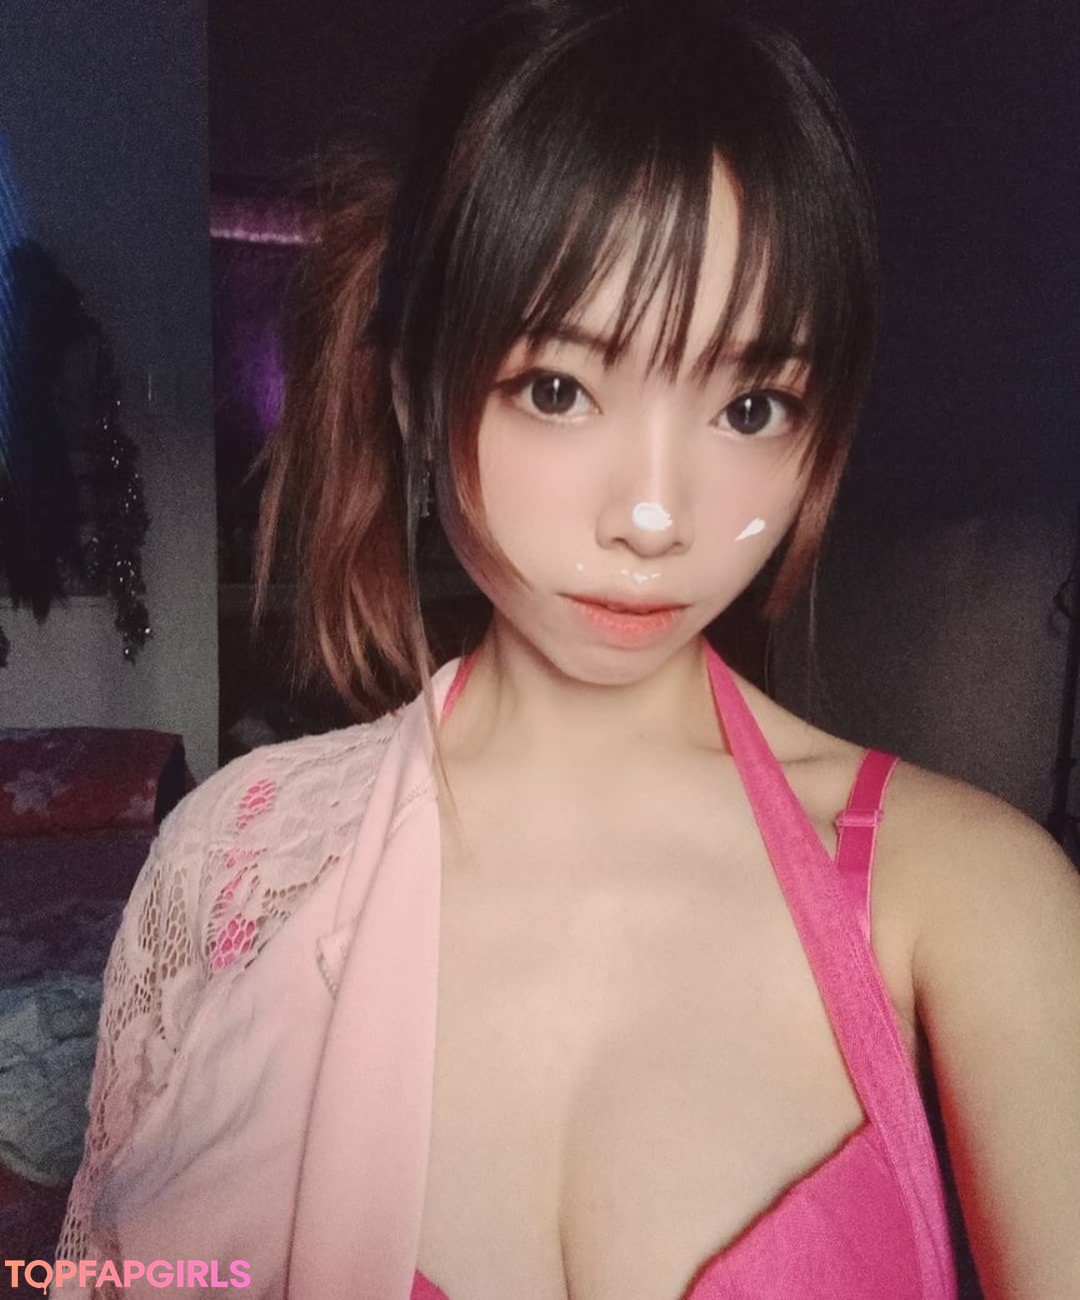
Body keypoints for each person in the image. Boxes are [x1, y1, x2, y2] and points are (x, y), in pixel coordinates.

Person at [56, 1, 1080, 1297]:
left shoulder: (975, 898)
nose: (653, 518)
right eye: (559, 389)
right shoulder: (227, 866)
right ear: (415, 392)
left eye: (750, 405)